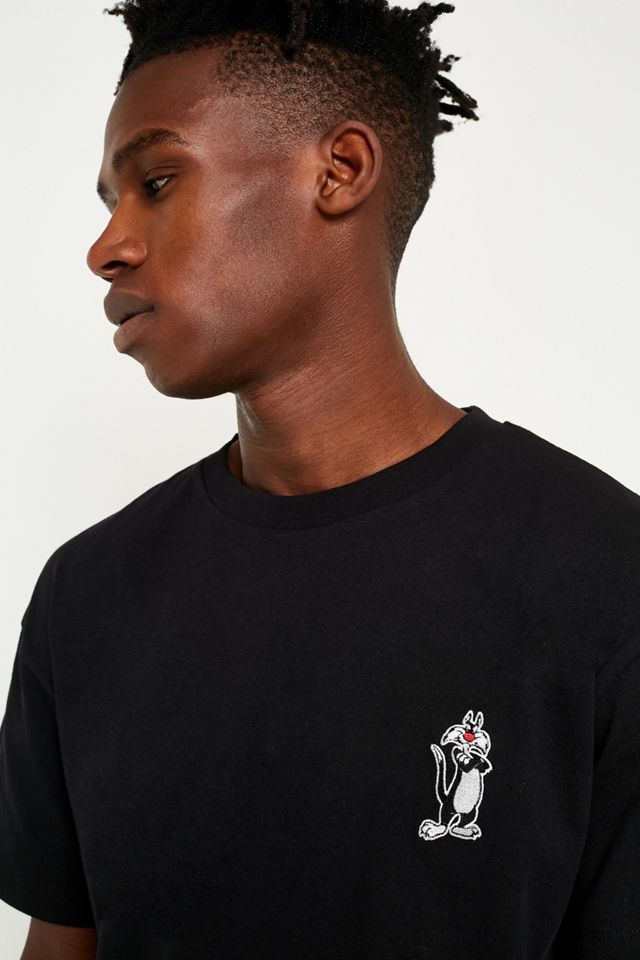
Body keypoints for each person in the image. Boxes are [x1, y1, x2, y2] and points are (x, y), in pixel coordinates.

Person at [1, 2, 638, 958]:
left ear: (338, 170)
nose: (107, 248)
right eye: (108, 202)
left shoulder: (605, 576)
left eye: (158, 182)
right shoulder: (87, 595)